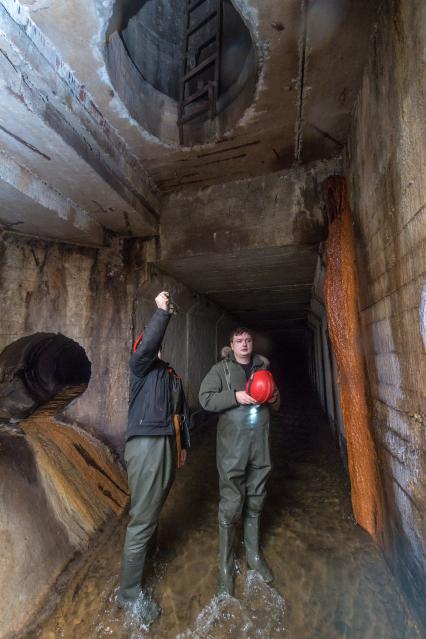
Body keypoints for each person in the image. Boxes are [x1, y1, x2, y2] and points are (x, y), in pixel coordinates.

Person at [117, 291, 189, 623]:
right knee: (142, 518)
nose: (153, 348)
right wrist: (161, 312)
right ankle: (128, 595)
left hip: (165, 443)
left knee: (154, 506)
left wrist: (183, 445)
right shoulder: (140, 367)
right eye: (148, 344)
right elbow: (147, 346)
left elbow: (181, 412)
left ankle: (151, 554)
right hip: (146, 443)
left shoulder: (168, 375)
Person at [199, 328, 279, 596]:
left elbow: (277, 404)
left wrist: (273, 395)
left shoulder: (262, 366)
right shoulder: (220, 370)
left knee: (257, 497)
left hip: (260, 442)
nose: (244, 344)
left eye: (247, 340)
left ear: (252, 343)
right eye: (238, 341)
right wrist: (234, 397)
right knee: (232, 502)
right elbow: (205, 399)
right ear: (231, 345)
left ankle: (254, 557)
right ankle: (225, 566)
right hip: (233, 445)